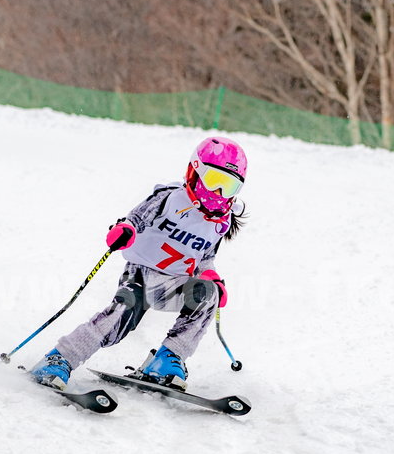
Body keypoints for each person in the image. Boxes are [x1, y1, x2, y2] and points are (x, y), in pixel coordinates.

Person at [29, 137, 247, 391]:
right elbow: (136, 219)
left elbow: (205, 256)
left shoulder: (220, 222)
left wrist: (211, 276)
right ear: (194, 171)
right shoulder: (169, 198)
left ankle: (166, 360)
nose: (219, 193)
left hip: (175, 284)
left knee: (206, 296)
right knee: (119, 319)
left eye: (229, 187)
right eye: (214, 180)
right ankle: (59, 358)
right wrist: (126, 230)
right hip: (141, 276)